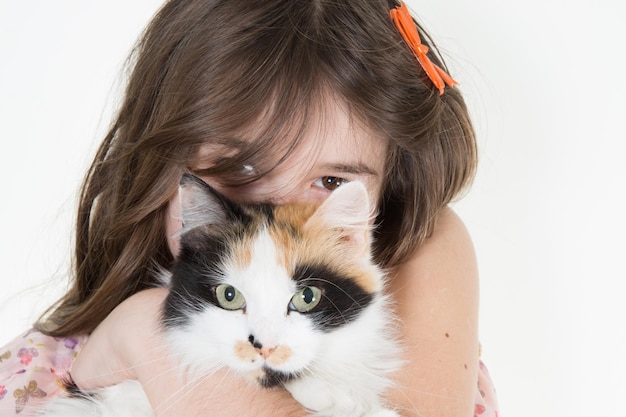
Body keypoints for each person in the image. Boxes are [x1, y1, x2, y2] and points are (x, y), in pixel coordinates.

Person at [0, 1, 499, 416]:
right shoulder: (37, 369)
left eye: (330, 181)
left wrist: (146, 332)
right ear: (159, 167)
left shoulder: (423, 252)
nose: (276, 216)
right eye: (238, 168)